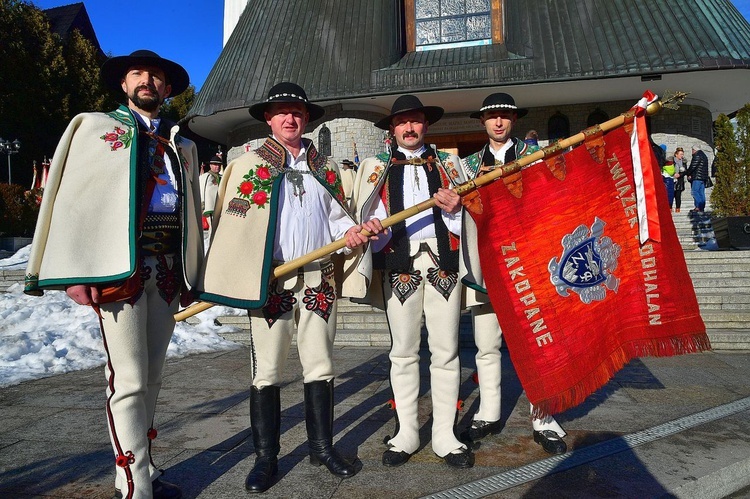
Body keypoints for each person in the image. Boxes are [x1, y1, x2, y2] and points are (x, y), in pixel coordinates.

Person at [24, 50, 203, 499]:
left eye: (157, 76)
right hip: (116, 269)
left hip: (165, 268)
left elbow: (192, 211)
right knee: (128, 378)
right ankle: (133, 483)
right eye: (138, 74)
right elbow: (74, 200)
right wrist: (73, 271)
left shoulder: (182, 145)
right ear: (124, 85)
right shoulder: (97, 129)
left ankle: (145, 466)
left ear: (167, 88)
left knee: (155, 375)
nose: (148, 81)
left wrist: (190, 272)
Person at [197, 82, 383, 493]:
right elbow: (235, 226)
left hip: (318, 276)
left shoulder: (327, 169)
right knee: (267, 371)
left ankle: (321, 448)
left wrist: (351, 231)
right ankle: (266, 458)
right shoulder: (249, 166)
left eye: (297, 111)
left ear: (306, 117)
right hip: (274, 279)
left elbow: (337, 218)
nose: (290, 117)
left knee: (320, 365)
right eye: (281, 111)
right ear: (269, 118)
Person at [350, 95, 474, 469]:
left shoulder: (450, 164)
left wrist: (457, 209)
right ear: (392, 128)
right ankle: (406, 431)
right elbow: (366, 213)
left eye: (416, 121)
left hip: (444, 264)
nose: (409, 128)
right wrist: (372, 227)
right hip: (399, 263)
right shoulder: (376, 167)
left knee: (446, 350)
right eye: (402, 122)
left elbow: (469, 217)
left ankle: (445, 435)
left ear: (426, 125)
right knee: (403, 352)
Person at [458, 92, 567, 455]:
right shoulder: (468, 166)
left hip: (530, 264)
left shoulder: (534, 157)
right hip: (488, 267)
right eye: (492, 117)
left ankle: (544, 417)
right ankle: (488, 412)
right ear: (483, 122)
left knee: (539, 344)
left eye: (504, 116)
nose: (499, 122)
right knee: (486, 344)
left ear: (514, 120)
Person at [199, 154, 223, 234]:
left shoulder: (221, 177)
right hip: (210, 207)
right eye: (215, 165)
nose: (217, 167)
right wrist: (202, 204)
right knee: (212, 230)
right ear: (210, 165)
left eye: (219, 165)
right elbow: (201, 190)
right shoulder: (205, 176)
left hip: (221, 207)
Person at [687, 145, 710, 212]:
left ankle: (698, 207)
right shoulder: (704, 155)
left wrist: (688, 173)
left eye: (692, 150)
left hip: (697, 177)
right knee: (701, 193)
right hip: (703, 177)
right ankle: (701, 207)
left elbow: (693, 166)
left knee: (694, 192)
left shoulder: (697, 155)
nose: (692, 152)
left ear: (694, 150)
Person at [673, 147, 687, 213]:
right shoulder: (672, 161)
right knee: (671, 194)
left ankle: (678, 208)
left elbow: (685, 171)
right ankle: (670, 208)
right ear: (676, 154)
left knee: (678, 195)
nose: (682, 156)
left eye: (682, 154)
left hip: (680, 181)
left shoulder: (683, 162)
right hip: (672, 180)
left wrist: (680, 175)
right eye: (680, 154)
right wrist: (673, 174)